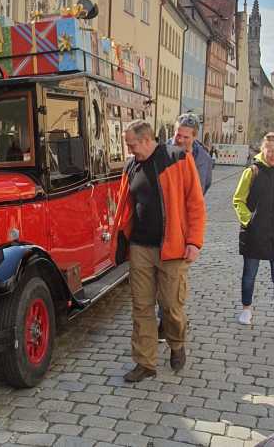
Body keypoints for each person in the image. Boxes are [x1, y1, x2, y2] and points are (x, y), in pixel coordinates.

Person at [112, 120, 206, 382]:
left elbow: (195, 204)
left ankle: (176, 343)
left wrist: (194, 242)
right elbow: (126, 203)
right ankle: (145, 362)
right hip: (140, 247)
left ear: (146, 140)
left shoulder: (177, 158)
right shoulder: (131, 165)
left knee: (170, 306)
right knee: (141, 306)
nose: (129, 150)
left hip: (173, 248)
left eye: (131, 144)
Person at [155, 113, 213, 340]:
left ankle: (169, 320)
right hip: (161, 226)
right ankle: (168, 318)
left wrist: (193, 236)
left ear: (195, 137)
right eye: (177, 135)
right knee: (165, 278)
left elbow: (201, 192)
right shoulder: (161, 153)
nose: (180, 140)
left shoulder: (204, 160)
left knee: (175, 278)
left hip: (185, 229)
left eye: (185, 137)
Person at [233, 132, 274, 341]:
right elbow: (238, 200)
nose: (273, 154)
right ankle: (247, 308)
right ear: (262, 149)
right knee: (249, 274)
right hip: (254, 233)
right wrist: (248, 220)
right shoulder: (252, 172)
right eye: (270, 150)